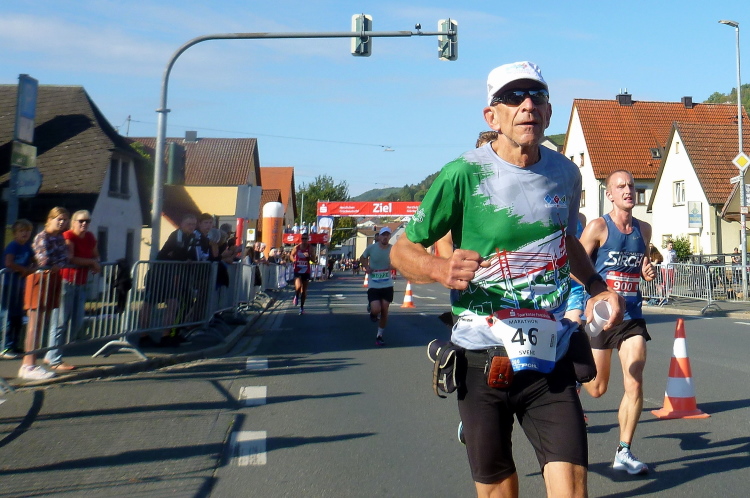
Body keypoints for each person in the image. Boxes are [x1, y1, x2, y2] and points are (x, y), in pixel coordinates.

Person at [391, 61, 624, 498]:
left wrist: (596, 286)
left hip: (550, 356)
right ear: (492, 116)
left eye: (537, 96)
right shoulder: (463, 173)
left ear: (549, 113)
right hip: (484, 360)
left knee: (573, 489)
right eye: (513, 97)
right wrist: (440, 269)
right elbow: (402, 249)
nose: (527, 105)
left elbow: (565, 239)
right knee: (498, 490)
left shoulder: (566, 173)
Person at [579, 169, 656, 475]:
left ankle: (624, 450)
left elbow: (641, 264)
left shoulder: (644, 229)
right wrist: (594, 294)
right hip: (601, 316)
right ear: (609, 194)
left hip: (631, 315)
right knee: (597, 388)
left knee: (634, 378)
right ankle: (574, 380)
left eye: (631, 186)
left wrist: (646, 271)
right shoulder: (598, 227)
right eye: (620, 186)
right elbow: (575, 266)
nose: (628, 190)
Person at [19, 207, 70, 380]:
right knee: (34, 324)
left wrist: (57, 264)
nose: (62, 222)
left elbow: (64, 258)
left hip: (51, 280)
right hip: (38, 280)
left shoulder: (60, 238)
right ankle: (28, 364)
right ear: (50, 219)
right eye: (58, 219)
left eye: (64, 219)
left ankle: (32, 363)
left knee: (41, 324)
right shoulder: (42, 237)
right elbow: (44, 259)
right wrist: (54, 264)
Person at [47, 210, 101, 369]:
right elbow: (70, 258)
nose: (84, 224)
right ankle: (54, 358)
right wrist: (91, 262)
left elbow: (96, 254)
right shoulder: (68, 236)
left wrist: (95, 262)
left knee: (77, 322)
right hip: (66, 282)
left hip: (81, 283)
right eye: (81, 221)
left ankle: (53, 354)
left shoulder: (90, 237)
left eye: (87, 221)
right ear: (73, 222)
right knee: (60, 322)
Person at [1, 219, 37, 359]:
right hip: (10, 284)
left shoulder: (27, 246)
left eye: (27, 231)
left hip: (21, 285)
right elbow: (9, 263)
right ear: (15, 233)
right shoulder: (13, 246)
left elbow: (35, 261)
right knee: (8, 316)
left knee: (18, 316)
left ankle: (15, 344)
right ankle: (6, 345)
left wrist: (32, 268)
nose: (25, 234)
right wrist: (23, 269)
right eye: (22, 231)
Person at [360, 227, 394, 346]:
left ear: (389, 237)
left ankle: (379, 336)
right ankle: (372, 312)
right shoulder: (371, 248)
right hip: (374, 283)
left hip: (387, 283)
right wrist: (366, 267)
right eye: (383, 235)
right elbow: (362, 257)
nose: (385, 237)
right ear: (379, 237)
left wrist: (394, 265)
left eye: (387, 235)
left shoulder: (393, 249)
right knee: (376, 309)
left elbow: (399, 261)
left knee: (384, 309)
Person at [291, 233, 315, 314]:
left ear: (308, 239)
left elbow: (314, 260)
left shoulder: (310, 248)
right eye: (303, 238)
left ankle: (301, 307)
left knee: (304, 290)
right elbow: (291, 255)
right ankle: (296, 296)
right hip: (297, 269)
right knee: (298, 287)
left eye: (305, 239)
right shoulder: (297, 247)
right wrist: (294, 260)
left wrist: (308, 257)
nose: (304, 240)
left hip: (306, 270)